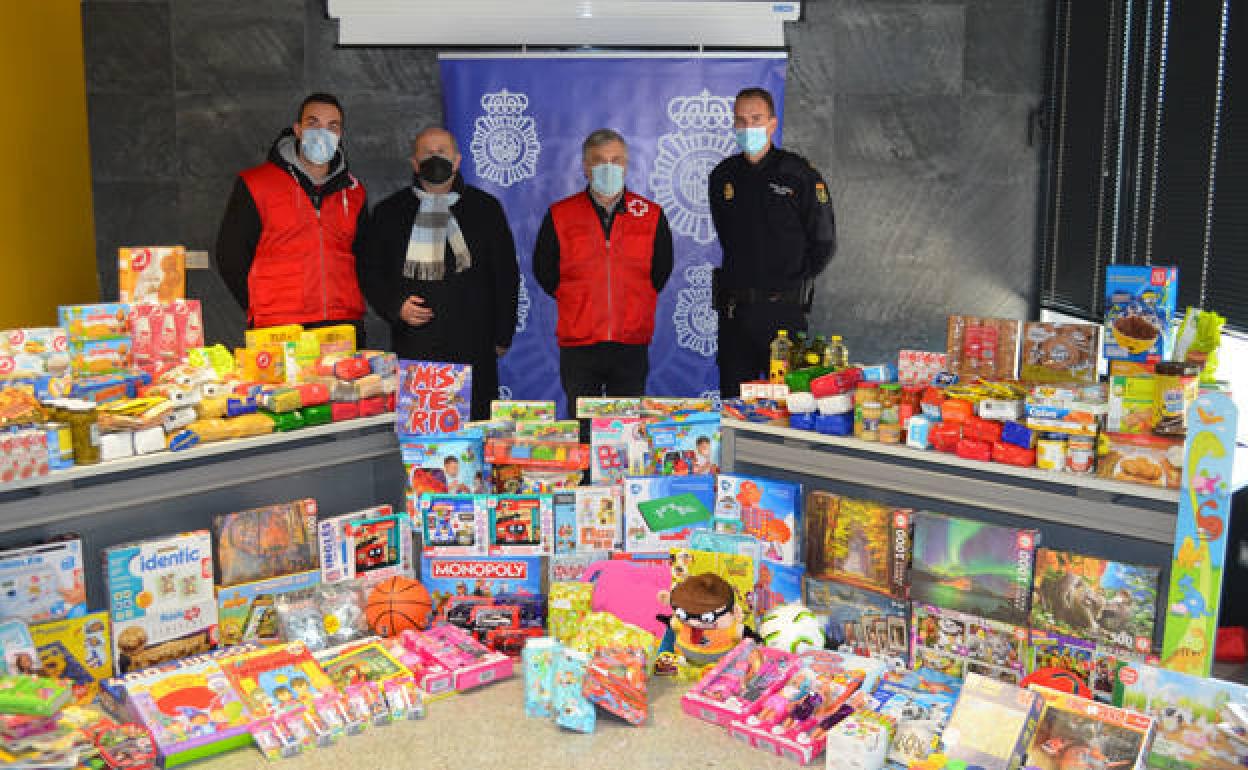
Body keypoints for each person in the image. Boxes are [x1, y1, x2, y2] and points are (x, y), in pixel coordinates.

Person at [362, 127, 518, 420]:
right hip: (417, 343)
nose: (435, 158)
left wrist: (503, 335)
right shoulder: (388, 213)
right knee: (426, 442)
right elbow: (371, 272)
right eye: (427, 153)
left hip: (475, 343)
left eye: (442, 152)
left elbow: (506, 275)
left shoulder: (485, 209)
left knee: (476, 436)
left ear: (457, 161)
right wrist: (395, 306)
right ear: (414, 162)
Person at [533, 129, 673, 416]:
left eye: (616, 160)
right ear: (585, 167)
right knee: (584, 430)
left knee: (628, 430)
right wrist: (577, 299)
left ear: (626, 165)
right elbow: (545, 271)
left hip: (631, 344)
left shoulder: (650, 215)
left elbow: (660, 272)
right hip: (579, 344)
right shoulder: (561, 215)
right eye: (599, 160)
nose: (608, 167)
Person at [709, 87, 837, 398]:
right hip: (735, 312)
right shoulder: (723, 176)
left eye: (756, 119)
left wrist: (789, 281)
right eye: (740, 120)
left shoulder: (798, 175)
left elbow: (823, 241)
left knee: (786, 402)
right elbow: (726, 234)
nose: (748, 127)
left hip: (782, 313)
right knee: (734, 402)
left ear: (772, 124)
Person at [216, 93, 370, 340]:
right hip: (280, 326)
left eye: (333, 126)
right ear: (298, 130)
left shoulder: (353, 192)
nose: (323, 132)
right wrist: (259, 305)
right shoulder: (257, 184)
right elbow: (230, 255)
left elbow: (365, 258)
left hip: (342, 325)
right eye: (314, 123)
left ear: (340, 134)